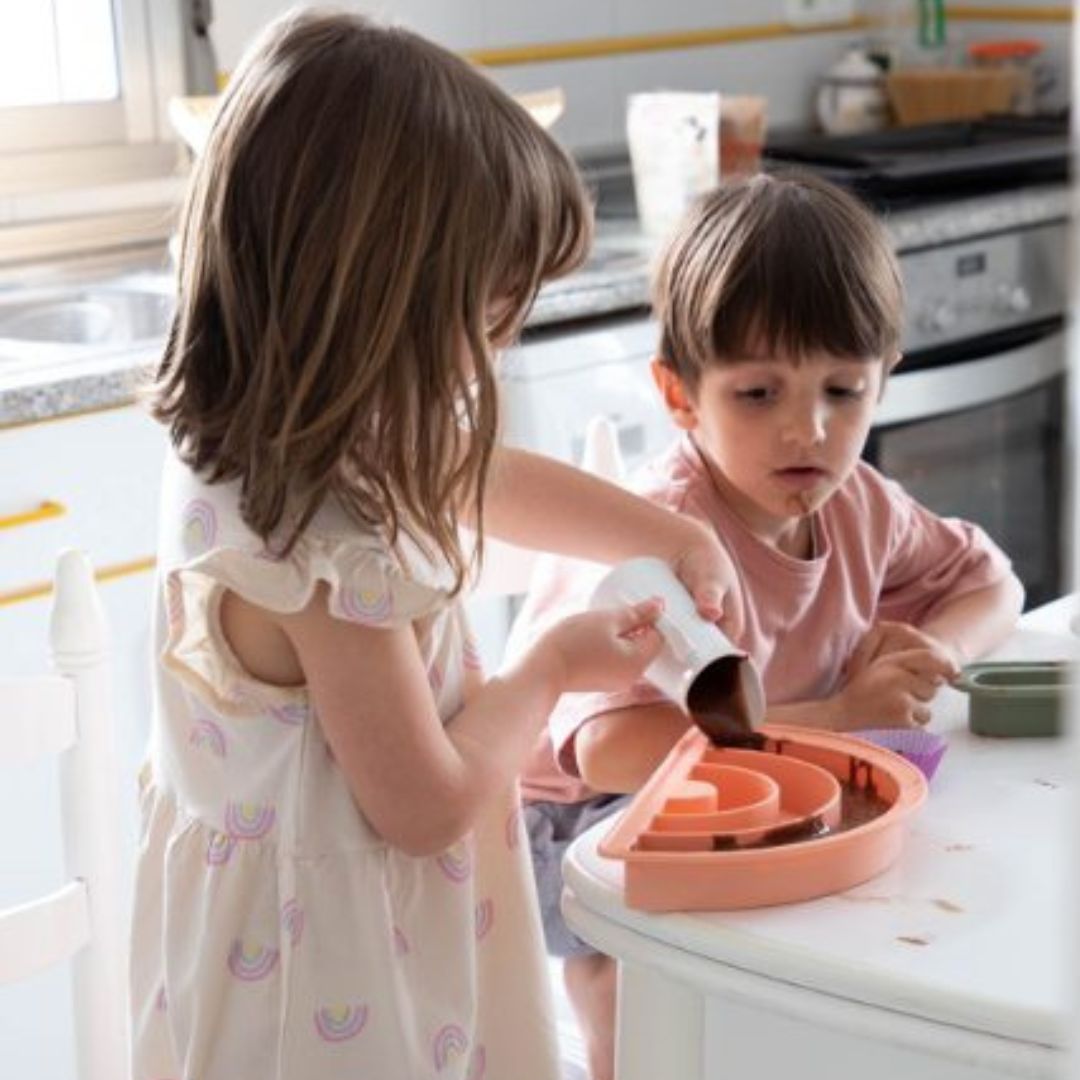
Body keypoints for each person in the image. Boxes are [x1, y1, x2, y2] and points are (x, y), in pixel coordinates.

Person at [129, 11, 739, 1080]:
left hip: (332, 939)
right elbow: (428, 805)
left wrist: (666, 529)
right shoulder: (318, 552)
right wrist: (549, 668)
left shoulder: (284, 448)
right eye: (487, 314)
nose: (496, 351)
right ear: (374, 303)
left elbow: (473, 472)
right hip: (334, 985)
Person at [515, 171, 1025, 1080]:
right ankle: (606, 1012)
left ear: (884, 381)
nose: (810, 430)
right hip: (575, 829)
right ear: (679, 397)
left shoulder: (861, 503)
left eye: (844, 390)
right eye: (759, 395)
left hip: (748, 769)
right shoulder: (668, 531)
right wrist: (835, 717)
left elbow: (992, 585)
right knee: (661, 1008)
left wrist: (934, 649)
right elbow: (607, 747)